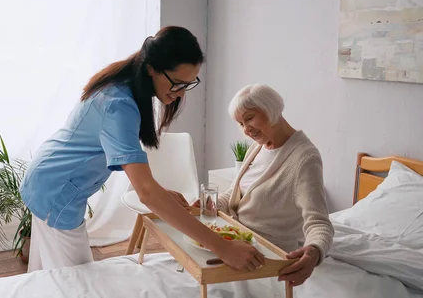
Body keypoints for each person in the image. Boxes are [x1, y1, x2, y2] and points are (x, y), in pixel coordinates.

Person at [20, 26, 264, 273]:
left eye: (188, 84)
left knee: (47, 276)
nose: (180, 94)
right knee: (77, 280)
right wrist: (221, 247)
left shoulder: (126, 86)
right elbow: (145, 191)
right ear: (151, 69)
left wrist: (160, 191)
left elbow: (135, 173)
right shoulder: (119, 106)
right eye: (177, 83)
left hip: (48, 177)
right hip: (55, 189)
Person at [194, 84, 334, 287]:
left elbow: (319, 222)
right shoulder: (260, 146)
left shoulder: (304, 158)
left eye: (249, 118)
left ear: (271, 109)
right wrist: (210, 205)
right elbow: (235, 194)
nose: (246, 129)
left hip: (265, 256)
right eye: (240, 123)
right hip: (236, 242)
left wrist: (314, 252)